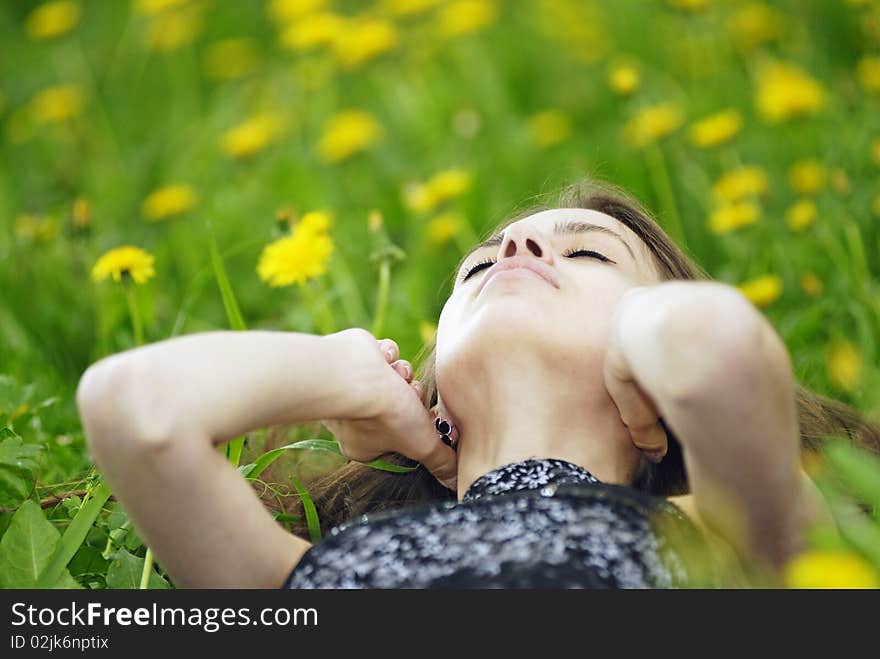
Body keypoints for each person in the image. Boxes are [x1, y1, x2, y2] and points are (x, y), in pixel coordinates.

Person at [76, 179, 880, 589]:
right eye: (479, 263)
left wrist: (650, 343)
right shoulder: (305, 567)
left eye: (589, 254)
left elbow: (724, 352)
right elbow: (132, 408)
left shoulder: (723, 527)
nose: (520, 240)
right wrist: (340, 371)